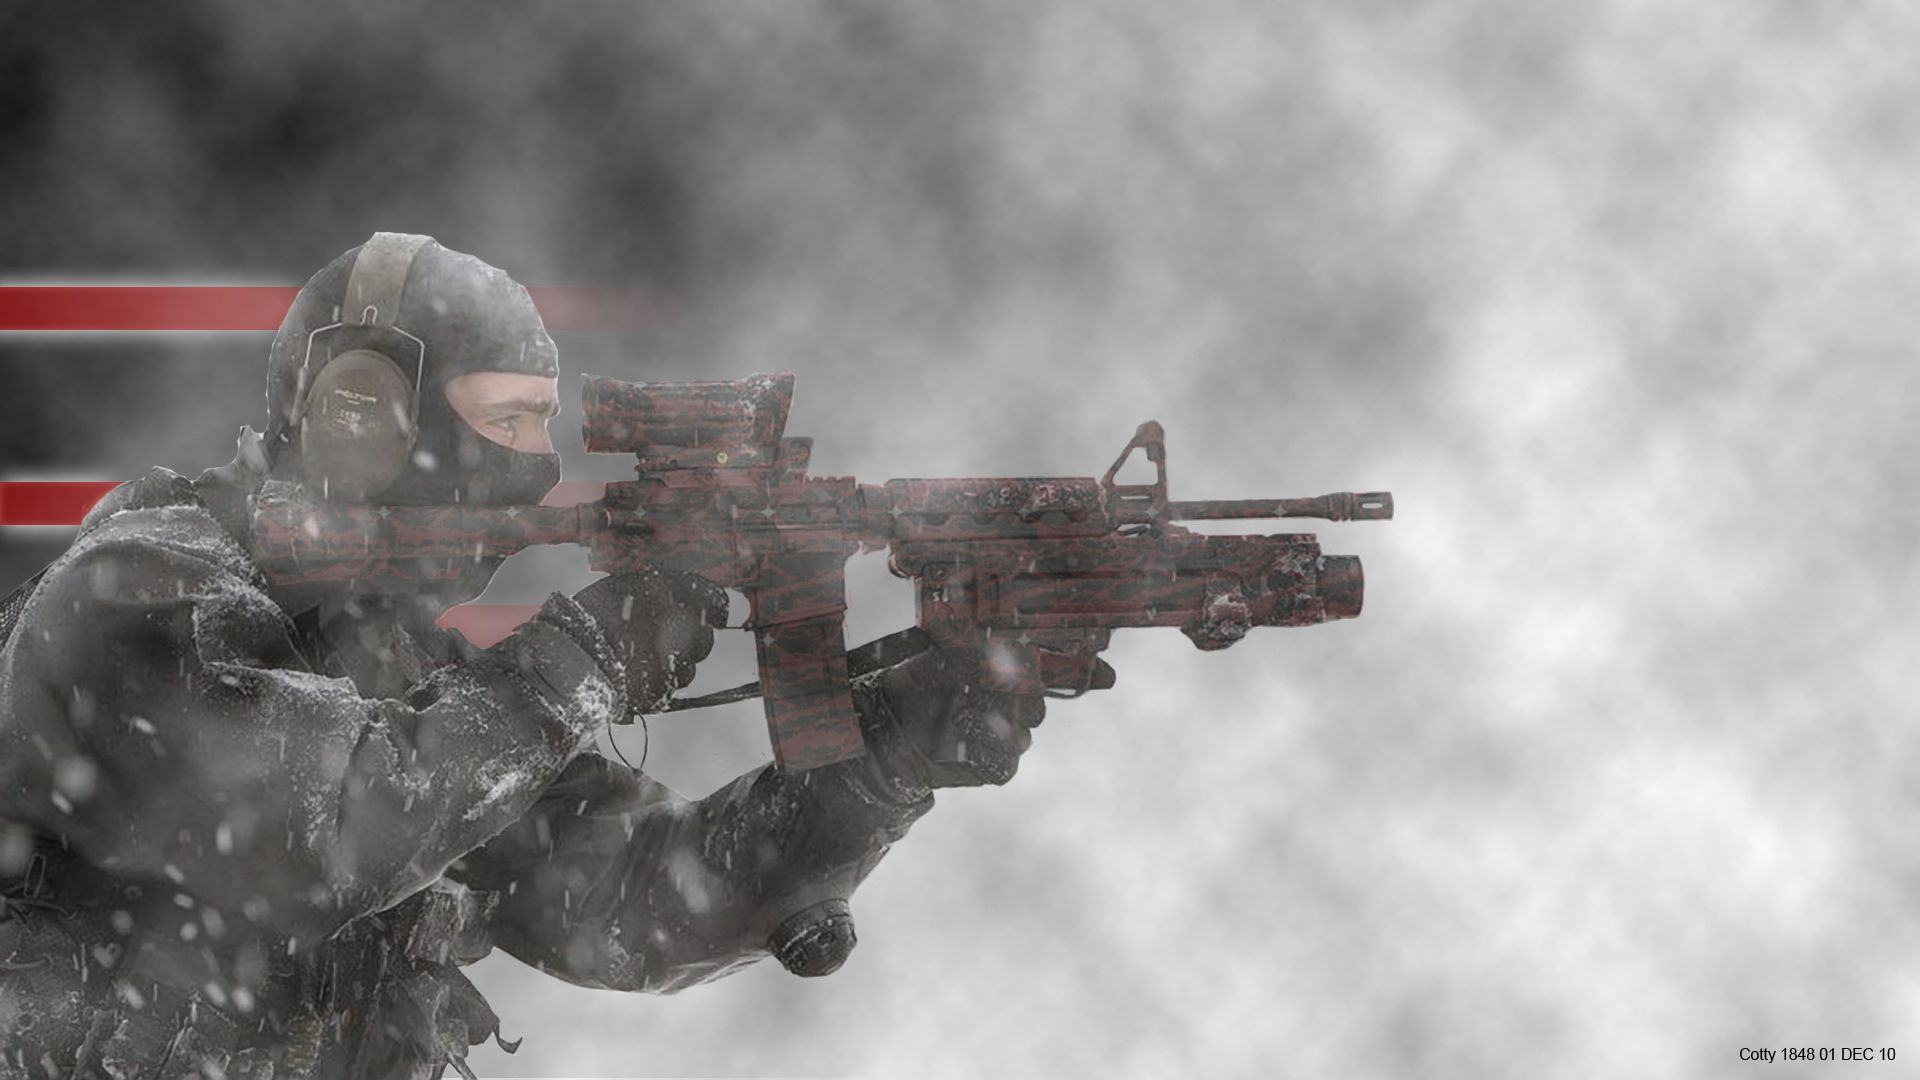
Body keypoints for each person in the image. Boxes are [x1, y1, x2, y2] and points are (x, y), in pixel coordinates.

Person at [0, 234, 1097, 1078]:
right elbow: (324, 836)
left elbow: (637, 904)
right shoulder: (135, 594)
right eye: (508, 421)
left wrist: (886, 757)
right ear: (361, 420)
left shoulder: (391, 668)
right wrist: (585, 657)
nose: (536, 469)